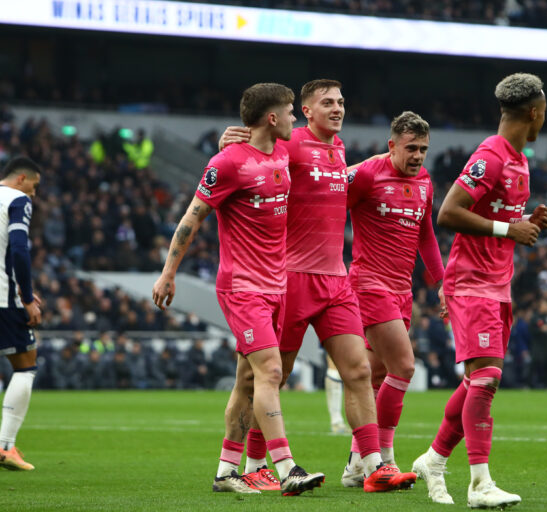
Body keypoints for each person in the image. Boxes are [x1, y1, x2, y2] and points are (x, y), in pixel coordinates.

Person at [219, 79, 416, 492]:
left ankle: (373, 465)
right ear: (305, 111)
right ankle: (256, 463)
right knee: (273, 376)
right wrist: (227, 145)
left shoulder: (338, 149)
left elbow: (338, 180)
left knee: (359, 371)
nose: (338, 108)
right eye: (327, 102)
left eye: (341, 101)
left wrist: (388, 159)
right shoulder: (291, 143)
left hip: (336, 280)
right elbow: (248, 160)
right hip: (290, 279)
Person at [152, 83, 324, 496]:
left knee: (247, 381)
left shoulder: (282, 151)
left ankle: (227, 471)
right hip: (242, 287)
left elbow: (329, 157)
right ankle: (287, 468)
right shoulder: (228, 163)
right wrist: (168, 272)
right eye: (290, 112)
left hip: (276, 285)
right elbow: (192, 218)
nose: (295, 120)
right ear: (272, 118)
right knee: (271, 371)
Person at [411, 73, 547, 508]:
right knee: (488, 379)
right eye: (544, 112)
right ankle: (479, 483)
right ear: (534, 113)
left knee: (478, 379)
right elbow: (448, 212)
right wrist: (508, 227)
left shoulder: (519, 159)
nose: (544, 119)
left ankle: (434, 460)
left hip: (498, 284)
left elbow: (499, 217)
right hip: (473, 283)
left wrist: (526, 220)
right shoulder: (491, 156)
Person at [344, 111, 444, 472]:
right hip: (369, 284)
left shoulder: (425, 181)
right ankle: (383, 458)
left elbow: (426, 235)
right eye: (411, 148)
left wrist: (441, 282)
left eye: (423, 149)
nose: (417, 156)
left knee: (374, 377)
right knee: (403, 366)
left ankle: (357, 464)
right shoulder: (367, 173)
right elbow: (325, 203)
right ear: (392, 145)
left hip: (402, 289)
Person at [0, 156, 42, 471]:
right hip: (4, 298)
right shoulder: (17, 200)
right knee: (25, 364)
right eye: (34, 186)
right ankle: (5, 446)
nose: (34, 194)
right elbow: (18, 249)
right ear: (21, 178)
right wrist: (26, 296)